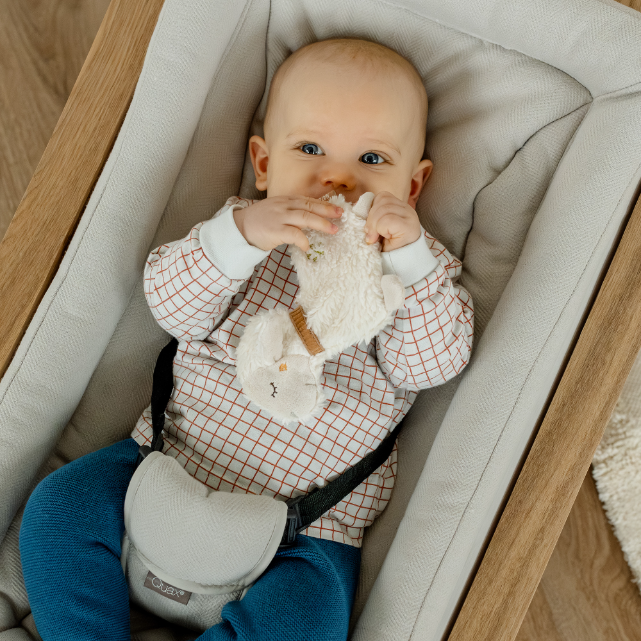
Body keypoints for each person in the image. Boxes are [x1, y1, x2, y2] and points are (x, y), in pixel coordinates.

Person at [19, 36, 474, 641]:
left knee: (307, 621)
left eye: (371, 161)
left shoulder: (415, 271)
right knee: (58, 512)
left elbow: (429, 365)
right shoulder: (242, 236)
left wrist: (413, 262)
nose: (336, 178)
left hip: (305, 534)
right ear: (264, 164)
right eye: (309, 148)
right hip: (160, 471)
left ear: (412, 188)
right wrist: (238, 236)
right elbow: (171, 305)